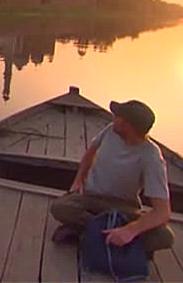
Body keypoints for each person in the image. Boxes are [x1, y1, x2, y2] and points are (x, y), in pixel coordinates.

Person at [50, 99, 174, 255]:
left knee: (165, 237)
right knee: (60, 207)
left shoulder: (151, 157)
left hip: (123, 208)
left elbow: (162, 212)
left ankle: (89, 232)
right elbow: (90, 152)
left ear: (128, 125)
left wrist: (130, 230)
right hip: (91, 198)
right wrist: (78, 180)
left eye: (118, 116)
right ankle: (110, 237)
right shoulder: (110, 130)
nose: (113, 118)